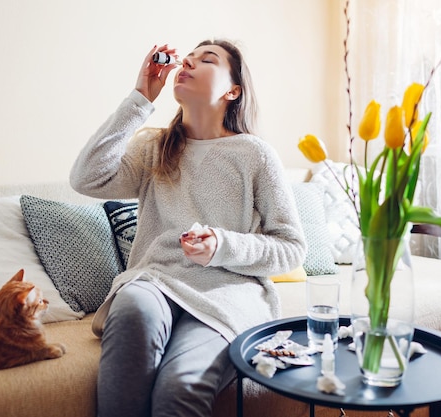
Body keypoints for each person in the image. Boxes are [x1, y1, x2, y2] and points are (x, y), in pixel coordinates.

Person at [70, 39, 306, 417]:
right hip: (157, 282)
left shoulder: (255, 155)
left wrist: (222, 246)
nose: (189, 63)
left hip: (228, 294)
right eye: (188, 58)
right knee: (134, 311)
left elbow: (291, 247)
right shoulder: (155, 147)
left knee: (181, 386)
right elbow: (87, 178)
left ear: (233, 90)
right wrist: (139, 98)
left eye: (207, 60)